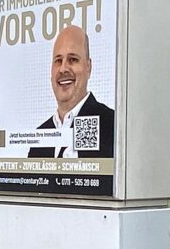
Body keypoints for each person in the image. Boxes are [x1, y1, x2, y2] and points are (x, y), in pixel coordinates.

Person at [28, 25, 114, 158]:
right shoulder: (41, 137)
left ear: (88, 67)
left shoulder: (111, 125)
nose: (63, 69)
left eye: (72, 59)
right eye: (58, 61)